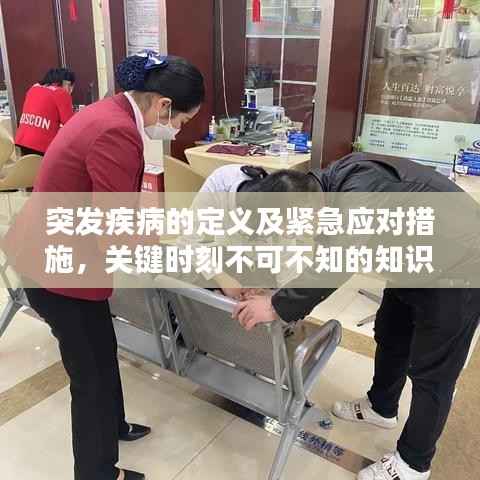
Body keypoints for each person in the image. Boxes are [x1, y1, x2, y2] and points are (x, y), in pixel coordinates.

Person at [232, 152, 480, 480]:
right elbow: (323, 256)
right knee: (391, 332)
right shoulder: (324, 187)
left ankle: (413, 464)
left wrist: (276, 306)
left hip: (460, 264)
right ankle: (381, 407)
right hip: (415, 255)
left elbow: (337, 260)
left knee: (433, 372)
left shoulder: (356, 195)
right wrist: (275, 293)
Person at [22, 51, 205, 480]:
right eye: (181, 121)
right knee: (90, 378)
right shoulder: (116, 132)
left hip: (58, 256)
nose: (177, 131)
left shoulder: (108, 111)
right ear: (163, 105)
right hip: (59, 276)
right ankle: (98, 472)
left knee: (102, 355)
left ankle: (114, 426)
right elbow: (115, 232)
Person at [181, 164, 321, 298]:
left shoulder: (283, 201)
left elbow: (288, 265)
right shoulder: (220, 187)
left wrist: (278, 299)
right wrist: (221, 278)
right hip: (216, 248)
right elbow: (187, 242)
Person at [15, 68, 76, 156]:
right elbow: (69, 123)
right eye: (70, 85)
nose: (71, 89)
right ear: (65, 82)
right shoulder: (61, 93)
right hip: (41, 144)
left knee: (29, 163)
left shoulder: (33, 88)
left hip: (23, 140)